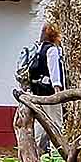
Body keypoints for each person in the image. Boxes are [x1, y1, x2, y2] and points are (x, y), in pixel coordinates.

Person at [29, 22, 66, 152]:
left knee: (40, 122)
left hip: (38, 91)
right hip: (50, 92)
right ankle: (58, 152)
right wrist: (58, 91)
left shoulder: (39, 49)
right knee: (56, 123)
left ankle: (36, 150)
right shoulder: (52, 50)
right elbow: (54, 71)